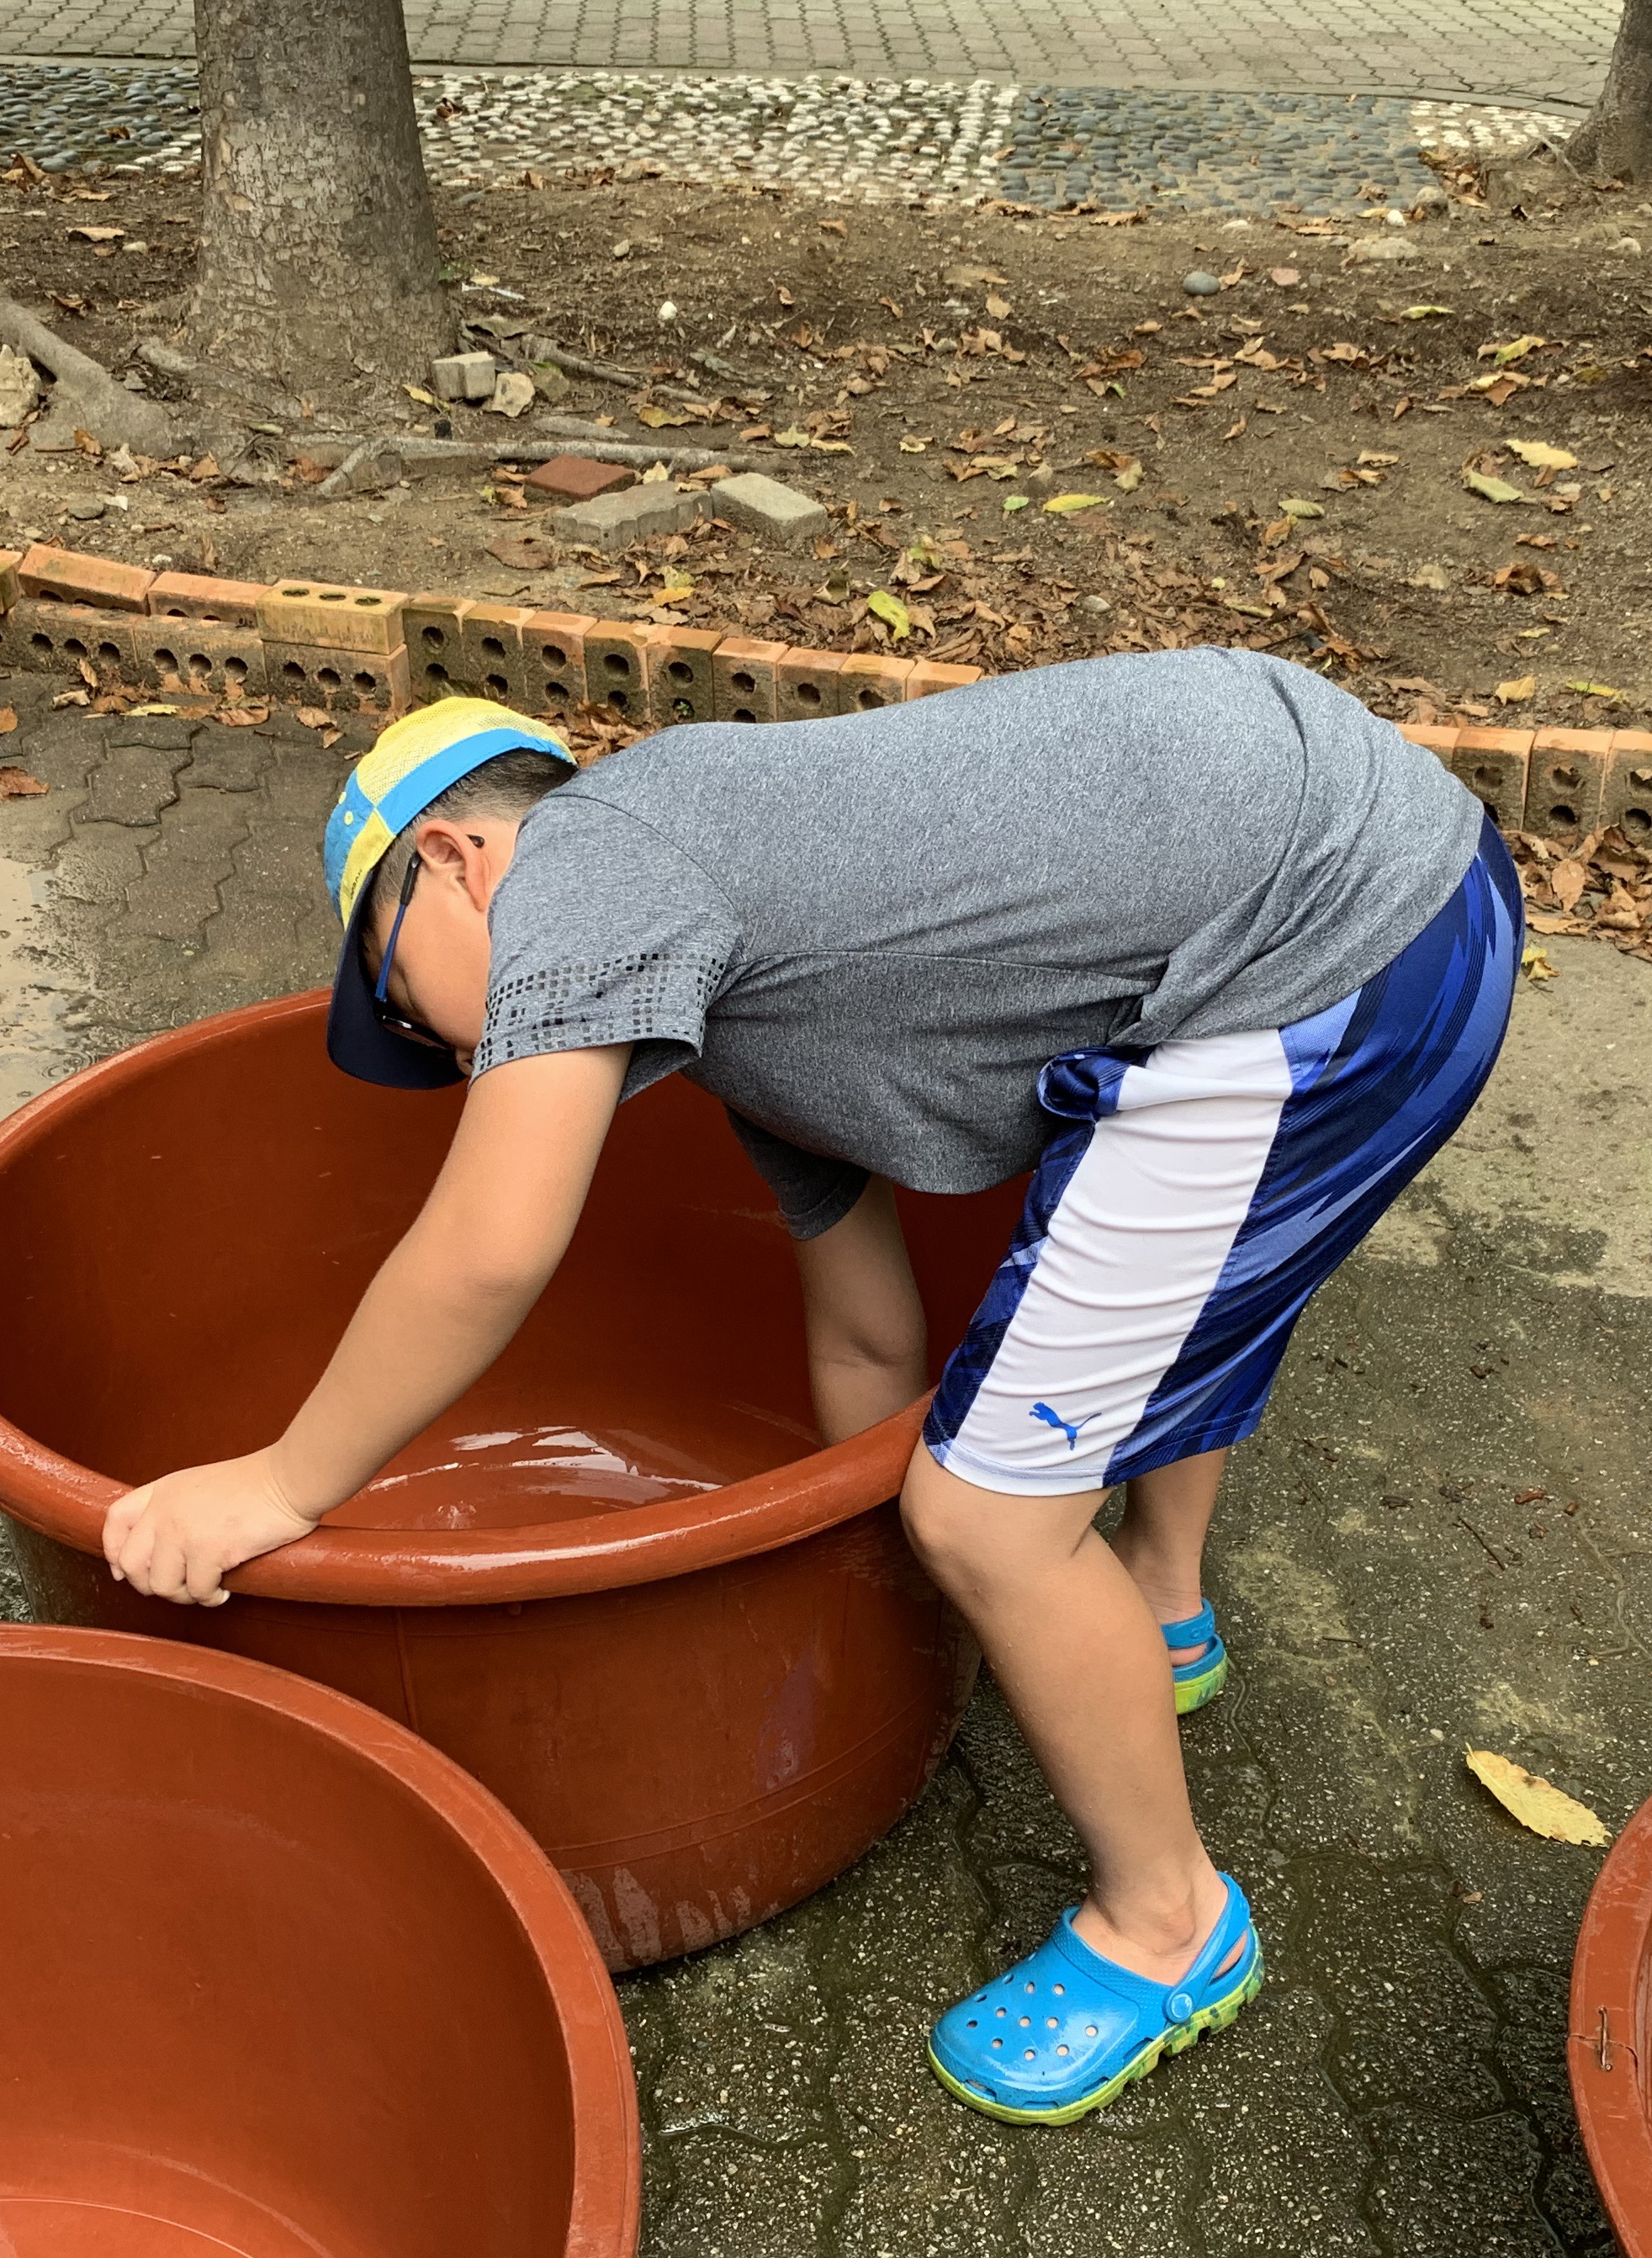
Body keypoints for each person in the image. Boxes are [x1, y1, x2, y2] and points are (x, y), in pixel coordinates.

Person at [101, 652, 1522, 2123]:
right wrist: (865, 1595)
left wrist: (279, 1485)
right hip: (1378, 881)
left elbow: (489, 1249)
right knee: (1142, 1321)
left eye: (407, 1006)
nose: (458, 1059)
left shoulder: (586, 857)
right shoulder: (754, 989)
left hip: (1337, 936)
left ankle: (1171, 1926)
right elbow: (867, 1343)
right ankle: (1159, 1610)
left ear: (457, 862)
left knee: (989, 1519)